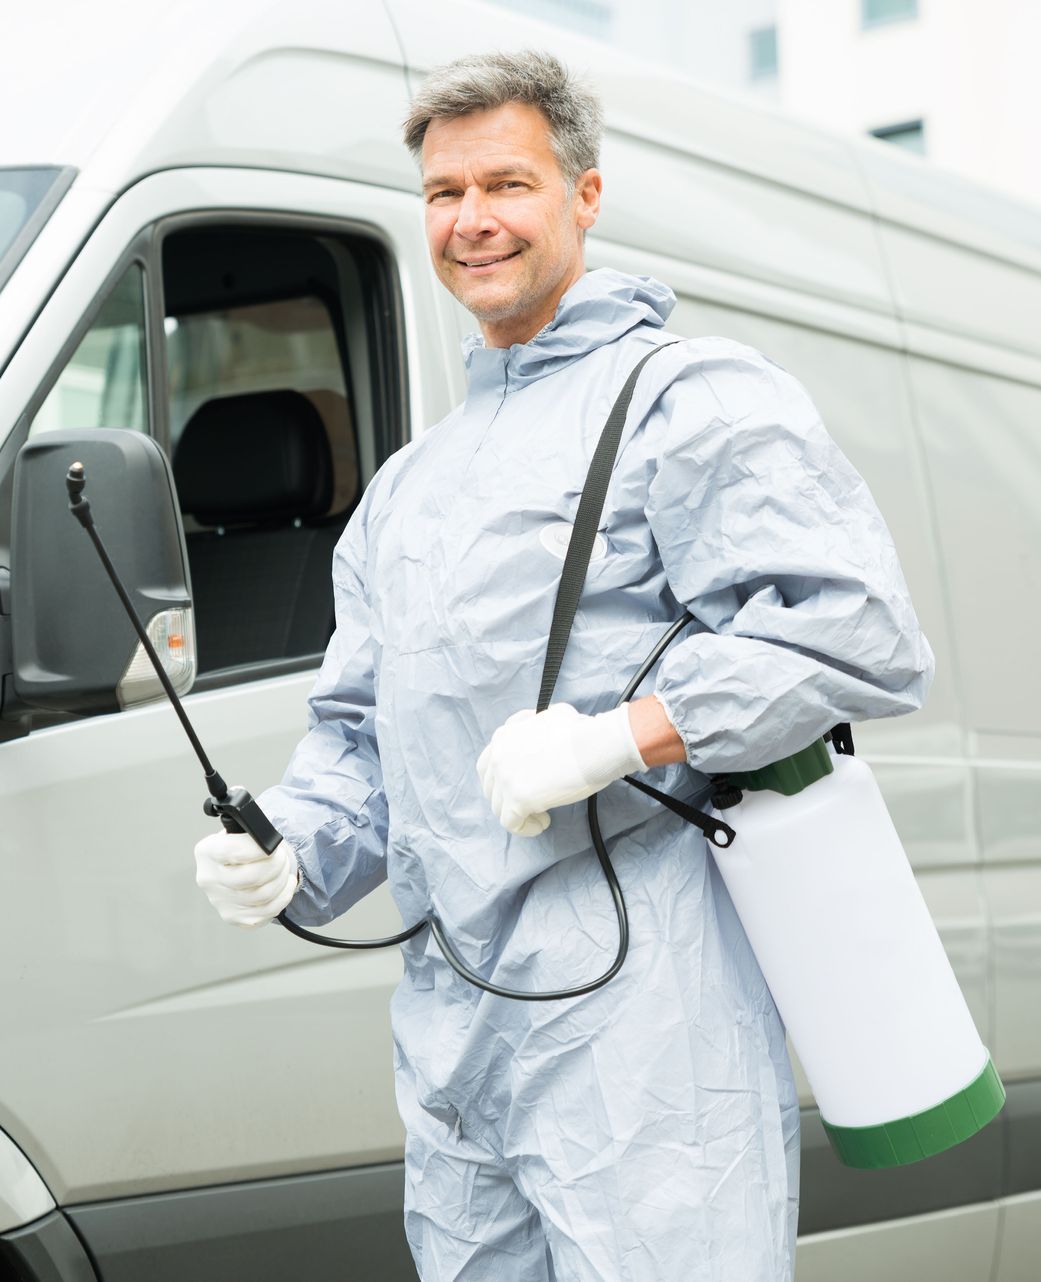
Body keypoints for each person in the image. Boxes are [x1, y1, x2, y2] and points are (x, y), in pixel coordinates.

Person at [191, 49, 934, 1281]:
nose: (472, 221)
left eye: (507, 184)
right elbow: (364, 742)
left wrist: (625, 733)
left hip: (645, 1030)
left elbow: (854, 629)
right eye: (443, 194)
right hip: (455, 1035)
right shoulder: (404, 493)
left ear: (583, 197)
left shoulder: (685, 400)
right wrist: (285, 848)